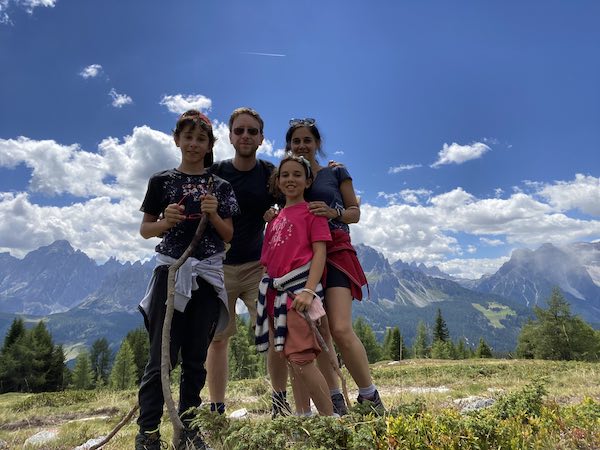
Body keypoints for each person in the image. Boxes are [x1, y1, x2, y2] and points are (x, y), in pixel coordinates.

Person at [135, 110, 240, 450]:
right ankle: (148, 433)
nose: (194, 144)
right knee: (160, 358)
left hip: (207, 278)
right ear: (176, 139)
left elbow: (228, 236)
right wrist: (165, 222)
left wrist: (212, 213)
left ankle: (189, 429)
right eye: (188, 137)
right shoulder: (160, 181)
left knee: (195, 358)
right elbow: (146, 230)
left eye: (201, 138)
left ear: (210, 144)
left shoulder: (220, 187)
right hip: (170, 274)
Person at [286, 118, 385, 412]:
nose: (302, 145)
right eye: (296, 141)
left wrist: (333, 212)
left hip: (338, 251)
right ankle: (335, 399)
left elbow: (355, 212)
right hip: (304, 258)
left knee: (340, 328)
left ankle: (370, 396)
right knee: (319, 333)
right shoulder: (289, 176)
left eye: (307, 140)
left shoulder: (337, 171)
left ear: (317, 143)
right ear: (289, 146)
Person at [205, 107, 292, 418]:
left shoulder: (271, 174)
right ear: (229, 136)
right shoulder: (214, 173)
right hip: (219, 267)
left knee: (273, 334)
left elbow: (293, 207)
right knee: (217, 338)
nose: (245, 136)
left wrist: (276, 215)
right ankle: (216, 410)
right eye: (239, 131)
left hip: (259, 266)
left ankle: (280, 404)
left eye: (251, 131)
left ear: (261, 138)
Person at [256, 154, 334, 416]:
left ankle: (329, 419)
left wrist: (310, 291)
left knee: (301, 357)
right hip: (276, 297)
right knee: (291, 358)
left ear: (308, 180)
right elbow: (266, 263)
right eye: (285, 175)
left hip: (300, 293)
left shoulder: (313, 213)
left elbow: (319, 254)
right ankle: (303, 416)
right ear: (277, 182)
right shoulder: (273, 221)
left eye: (297, 174)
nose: (291, 179)